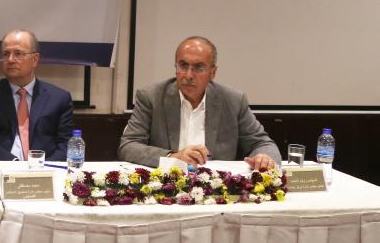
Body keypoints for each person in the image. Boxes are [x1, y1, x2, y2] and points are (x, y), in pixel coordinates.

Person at [118, 36, 279, 170]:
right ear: (175, 67)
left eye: (198, 67)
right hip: (166, 184)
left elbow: (262, 143)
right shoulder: (151, 97)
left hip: (217, 186)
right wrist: (172, 157)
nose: (188, 75)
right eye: (183, 65)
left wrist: (264, 158)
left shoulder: (233, 101)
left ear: (213, 72)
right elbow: (128, 146)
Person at [0, 29, 74, 162]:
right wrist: (14, 165)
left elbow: (66, 144)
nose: (10, 60)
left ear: (35, 59)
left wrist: (42, 168)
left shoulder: (59, 98)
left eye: (18, 53)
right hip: (3, 168)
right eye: (6, 54)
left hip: (45, 168)